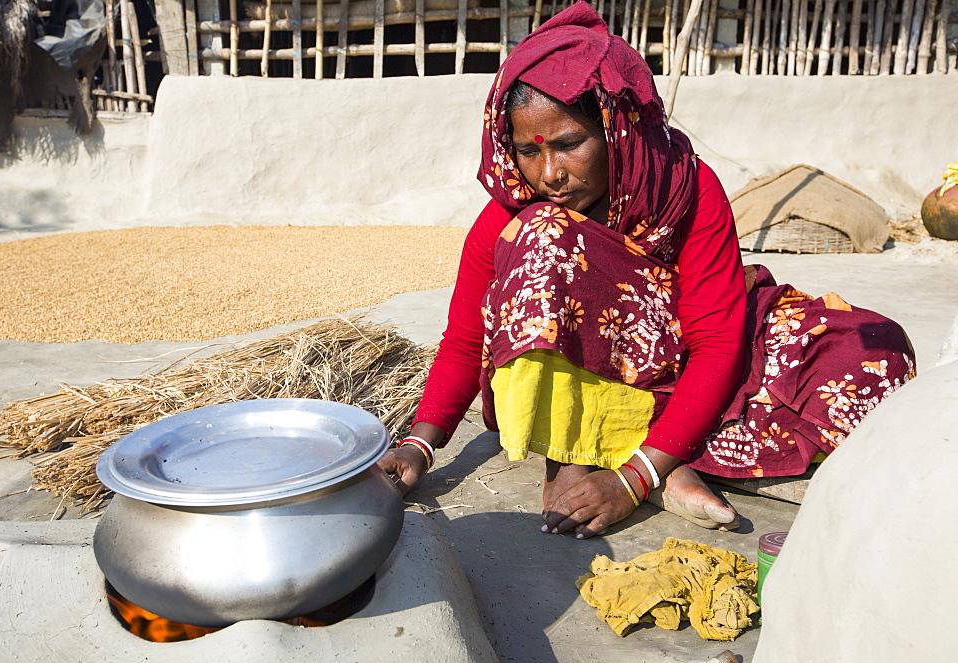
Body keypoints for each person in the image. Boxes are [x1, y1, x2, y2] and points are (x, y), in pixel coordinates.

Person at [377, 1, 915, 539]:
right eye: (527, 151)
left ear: (616, 129)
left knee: (873, 351)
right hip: (599, 376)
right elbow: (467, 337)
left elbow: (718, 340)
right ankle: (572, 452)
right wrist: (419, 446)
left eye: (569, 144)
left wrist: (634, 479)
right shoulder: (514, 216)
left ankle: (655, 455)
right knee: (545, 230)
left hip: (677, 353)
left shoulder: (683, 189)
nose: (550, 173)